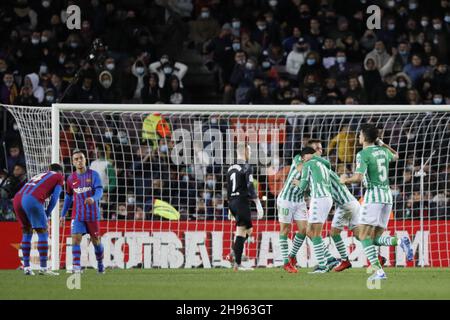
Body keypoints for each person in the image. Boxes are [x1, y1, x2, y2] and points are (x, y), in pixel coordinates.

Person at [340, 124, 413, 281]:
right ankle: (400, 241)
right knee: (374, 238)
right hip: (387, 197)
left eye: (360, 134)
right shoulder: (383, 151)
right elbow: (397, 155)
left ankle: (379, 272)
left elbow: (358, 178)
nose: (358, 137)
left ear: (365, 137)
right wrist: (382, 143)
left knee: (363, 235)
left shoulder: (363, 154)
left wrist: (345, 180)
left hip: (373, 197)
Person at [13, 163, 64, 276]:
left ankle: (26, 268)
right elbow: (55, 197)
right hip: (31, 199)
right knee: (42, 232)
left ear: (49, 170)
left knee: (27, 231)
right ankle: (44, 268)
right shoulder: (59, 176)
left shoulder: (39, 175)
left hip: (17, 198)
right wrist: (47, 213)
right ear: (60, 172)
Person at [61, 149, 104, 274]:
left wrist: (93, 198)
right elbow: (68, 197)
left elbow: (99, 191)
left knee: (96, 241)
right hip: (78, 214)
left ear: (85, 159)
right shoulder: (70, 178)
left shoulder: (93, 175)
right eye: (76, 159)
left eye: (81, 158)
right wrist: (63, 215)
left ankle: (100, 264)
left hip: (92, 214)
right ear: (73, 162)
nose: (79, 160)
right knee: (75, 239)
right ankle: (76, 267)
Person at [291, 147, 334, 273]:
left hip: (319, 199)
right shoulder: (323, 163)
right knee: (310, 230)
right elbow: (329, 166)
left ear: (305, 157)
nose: (303, 161)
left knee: (314, 233)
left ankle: (322, 265)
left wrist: (297, 182)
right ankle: (328, 261)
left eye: (303, 159)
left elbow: (303, 186)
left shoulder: (308, 165)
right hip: (327, 198)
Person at [226, 143, 263, 271]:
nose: (251, 154)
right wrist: (258, 204)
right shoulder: (247, 167)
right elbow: (250, 186)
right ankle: (237, 264)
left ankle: (233, 251)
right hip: (241, 201)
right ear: (245, 152)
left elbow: (228, 188)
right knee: (241, 231)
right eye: (250, 151)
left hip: (232, 201)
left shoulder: (231, 168)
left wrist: (229, 207)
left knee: (249, 230)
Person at [276, 149, 307, 273]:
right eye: (316, 149)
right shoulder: (298, 158)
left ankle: (291, 256)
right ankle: (286, 262)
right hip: (286, 199)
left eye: (320, 149)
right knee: (285, 230)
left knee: (304, 230)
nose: (319, 151)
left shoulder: (316, 165)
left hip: (299, 201)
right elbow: (300, 169)